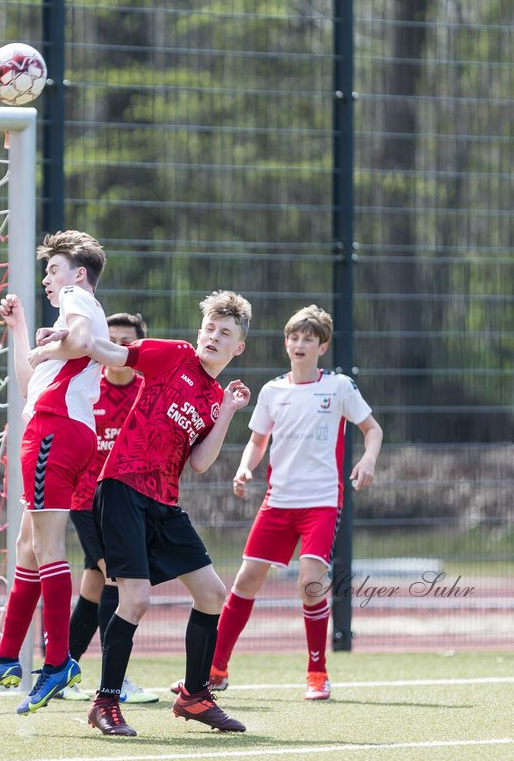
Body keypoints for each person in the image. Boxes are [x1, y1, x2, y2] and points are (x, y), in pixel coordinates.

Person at [0, 231, 110, 715]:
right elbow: (27, 384)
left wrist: (48, 348)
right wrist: (22, 333)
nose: (47, 278)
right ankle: (5, 657)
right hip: (54, 426)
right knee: (27, 547)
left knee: (47, 548)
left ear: (78, 274)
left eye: (53, 269)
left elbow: (81, 342)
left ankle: (58, 662)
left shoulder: (78, 301)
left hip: (55, 433)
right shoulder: (64, 321)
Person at [190, 304, 381, 702]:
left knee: (310, 583)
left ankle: (317, 672)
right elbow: (258, 441)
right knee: (243, 582)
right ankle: (216, 669)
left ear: (321, 346)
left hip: (321, 503)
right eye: (294, 337)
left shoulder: (339, 387)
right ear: (286, 343)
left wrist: (368, 458)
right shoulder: (273, 391)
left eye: (308, 339)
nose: (299, 344)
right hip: (278, 503)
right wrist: (245, 469)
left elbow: (372, 428)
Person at [83, 290, 253, 737]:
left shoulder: (216, 396)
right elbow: (115, 353)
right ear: (200, 333)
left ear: (239, 347)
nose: (214, 337)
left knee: (213, 594)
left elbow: (199, 462)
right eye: (210, 329)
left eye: (226, 333)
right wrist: (76, 331)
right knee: (135, 600)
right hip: (122, 486)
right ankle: (105, 703)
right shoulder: (175, 355)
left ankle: (195, 696)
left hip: (164, 502)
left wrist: (229, 412)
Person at [59, 312, 158, 704]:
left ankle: (62, 668)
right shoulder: (86, 387)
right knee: (116, 580)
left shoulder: (148, 390)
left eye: (125, 342)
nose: (116, 347)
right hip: (85, 501)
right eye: (109, 339)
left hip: (126, 504)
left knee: (94, 586)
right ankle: (111, 681)